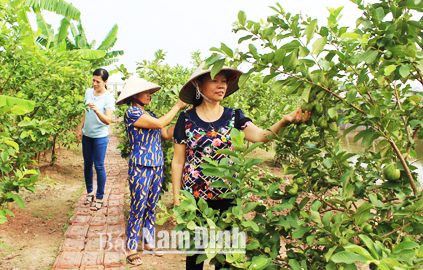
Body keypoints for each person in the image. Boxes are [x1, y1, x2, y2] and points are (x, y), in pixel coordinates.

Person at [171, 63, 311, 270]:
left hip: (228, 196)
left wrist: (285, 120)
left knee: (226, 256)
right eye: (215, 81)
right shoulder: (186, 119)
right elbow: (178, 161)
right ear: (199, 85)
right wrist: (177, 200)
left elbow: (261, 136)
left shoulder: (234, 117)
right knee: (195, 256)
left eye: (224, 82)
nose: (221, 86)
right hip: (195, 200)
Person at [116, 76, 187, 266]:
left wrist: (183, 120)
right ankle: (131, 247)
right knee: (138, 207)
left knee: (151, 206)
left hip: (156, 165)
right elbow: (158, 125)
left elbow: (164, 133)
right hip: (140, 166)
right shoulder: (132, 112)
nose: (149, 94)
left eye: (149, 91)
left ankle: (148, 243)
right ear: (134, 95)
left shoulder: (151, 113)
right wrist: (177, 106)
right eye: (145, 91)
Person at [76, 68, 115, 211]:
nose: (94, 84)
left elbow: (108, 121)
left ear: (105, 82)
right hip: (87, 135)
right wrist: (80, 128)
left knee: (99, 166)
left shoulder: (109, 98)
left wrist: (97, 110)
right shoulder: (88, 92)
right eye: (93, 80)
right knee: (87, 165)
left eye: (98, 81)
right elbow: (84, 113)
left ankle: (99, 197)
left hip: (100, 136)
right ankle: (89, 192)